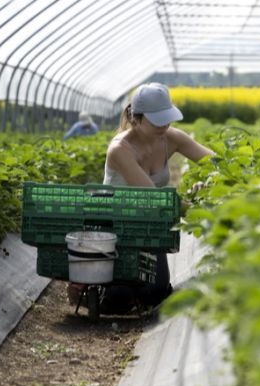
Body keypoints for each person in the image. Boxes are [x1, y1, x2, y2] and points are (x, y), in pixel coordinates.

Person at [68, 82, 214, 313]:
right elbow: (154, 200)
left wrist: (210, 184)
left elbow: (216, 161)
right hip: (116, 228)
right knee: (118, 300)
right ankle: (87, 286)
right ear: (136, 119)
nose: (165, 124)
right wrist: (199, 207)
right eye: (157, 119)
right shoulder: (120, 149)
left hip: (148, 227)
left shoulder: (171, 137)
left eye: (167, 117)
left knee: (156, 293)